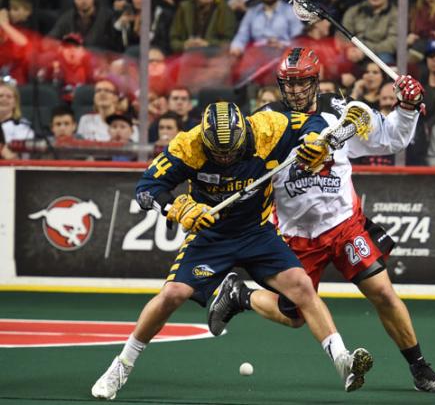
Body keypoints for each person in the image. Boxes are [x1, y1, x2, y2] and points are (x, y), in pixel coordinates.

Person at [207, 47, 435, 393]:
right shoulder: (265, 122)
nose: (294, 90)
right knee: (293, 316)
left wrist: (408, 108)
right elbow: (244, 166)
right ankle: (240, 294)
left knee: (382, 292)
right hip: (296, 236)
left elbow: (391, 138)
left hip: (344, 225)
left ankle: (420, 368)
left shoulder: (344, 112)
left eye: (302, 83)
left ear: (316, 80)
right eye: (288, 84)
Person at [91, 101, 375, 400]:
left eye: (232, 150)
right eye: (219, 153)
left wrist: (313, 141)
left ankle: (343, 361)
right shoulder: (188, 145)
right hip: (211, 237)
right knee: (173, 295)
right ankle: (121, 365)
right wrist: (176, 207)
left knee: (302, 287)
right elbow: (147, 188)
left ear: (244, 133)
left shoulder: (268, 128)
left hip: (257, 232)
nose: (226, 158)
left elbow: (310, 121)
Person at [48, 0, 119, 51]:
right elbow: (50, 39)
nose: (83, 0)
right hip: (73, 58)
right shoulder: (67, 17)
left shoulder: (107, 16)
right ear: (74, 0)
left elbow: (115, 43)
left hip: (98, 58)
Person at [169, 0, 236, 54]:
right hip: (185, 54)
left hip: (213, 56)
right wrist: (184, 45)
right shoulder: (184, 7)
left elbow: (228, 41)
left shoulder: (224, 9)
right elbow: (174, 39)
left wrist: (207, 44)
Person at [341, 0, 398, 65]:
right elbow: (343, 35)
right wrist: (349, 49)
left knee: (385, 57)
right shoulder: (353, 11)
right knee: (339, 59)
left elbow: (393, 42)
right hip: (355, 52)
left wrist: (365, 50)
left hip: (380, 53)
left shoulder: (396, 14)